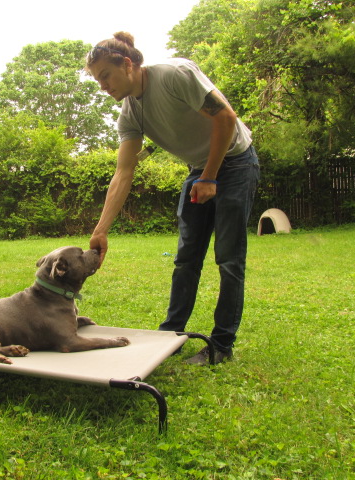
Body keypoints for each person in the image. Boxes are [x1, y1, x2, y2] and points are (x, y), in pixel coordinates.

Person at [85, 32, 260, 365]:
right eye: (97, 79)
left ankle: (221, 346)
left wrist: (210, 177)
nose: (102, 85)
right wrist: (101, 230)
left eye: (105, 75)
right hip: (200, 168)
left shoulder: (174, 74)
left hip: (236, 160)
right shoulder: (130, 113)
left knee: (229, 259)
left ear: (126, 64)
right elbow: (123, 173)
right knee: (186, 260)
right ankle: (170, 337)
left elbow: (226, 117)